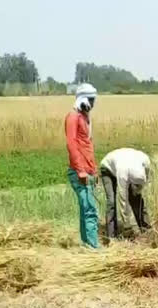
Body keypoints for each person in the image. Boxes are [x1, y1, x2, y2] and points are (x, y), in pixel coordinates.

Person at [65, 83, 99, 249]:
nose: (93, 104)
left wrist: (94, 170)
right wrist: (81, 170)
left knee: (86, 209)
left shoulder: (85, 118)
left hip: (88, 170)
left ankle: (87, 244)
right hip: (80, 172)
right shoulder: (73, 117)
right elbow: (72, 145)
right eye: (91, 100)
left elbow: (88, 145)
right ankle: (94, 247)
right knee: (90, 210)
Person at [99, 148, 153, 239]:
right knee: (112, 201)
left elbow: (143, 182)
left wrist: (137, 190)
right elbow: (122, 198)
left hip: (125, 164)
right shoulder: (122, 174)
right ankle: (111, 236)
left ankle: (146, 230)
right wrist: (126, 223)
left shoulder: (145, 160)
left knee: (137, 198)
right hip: (108, 167)